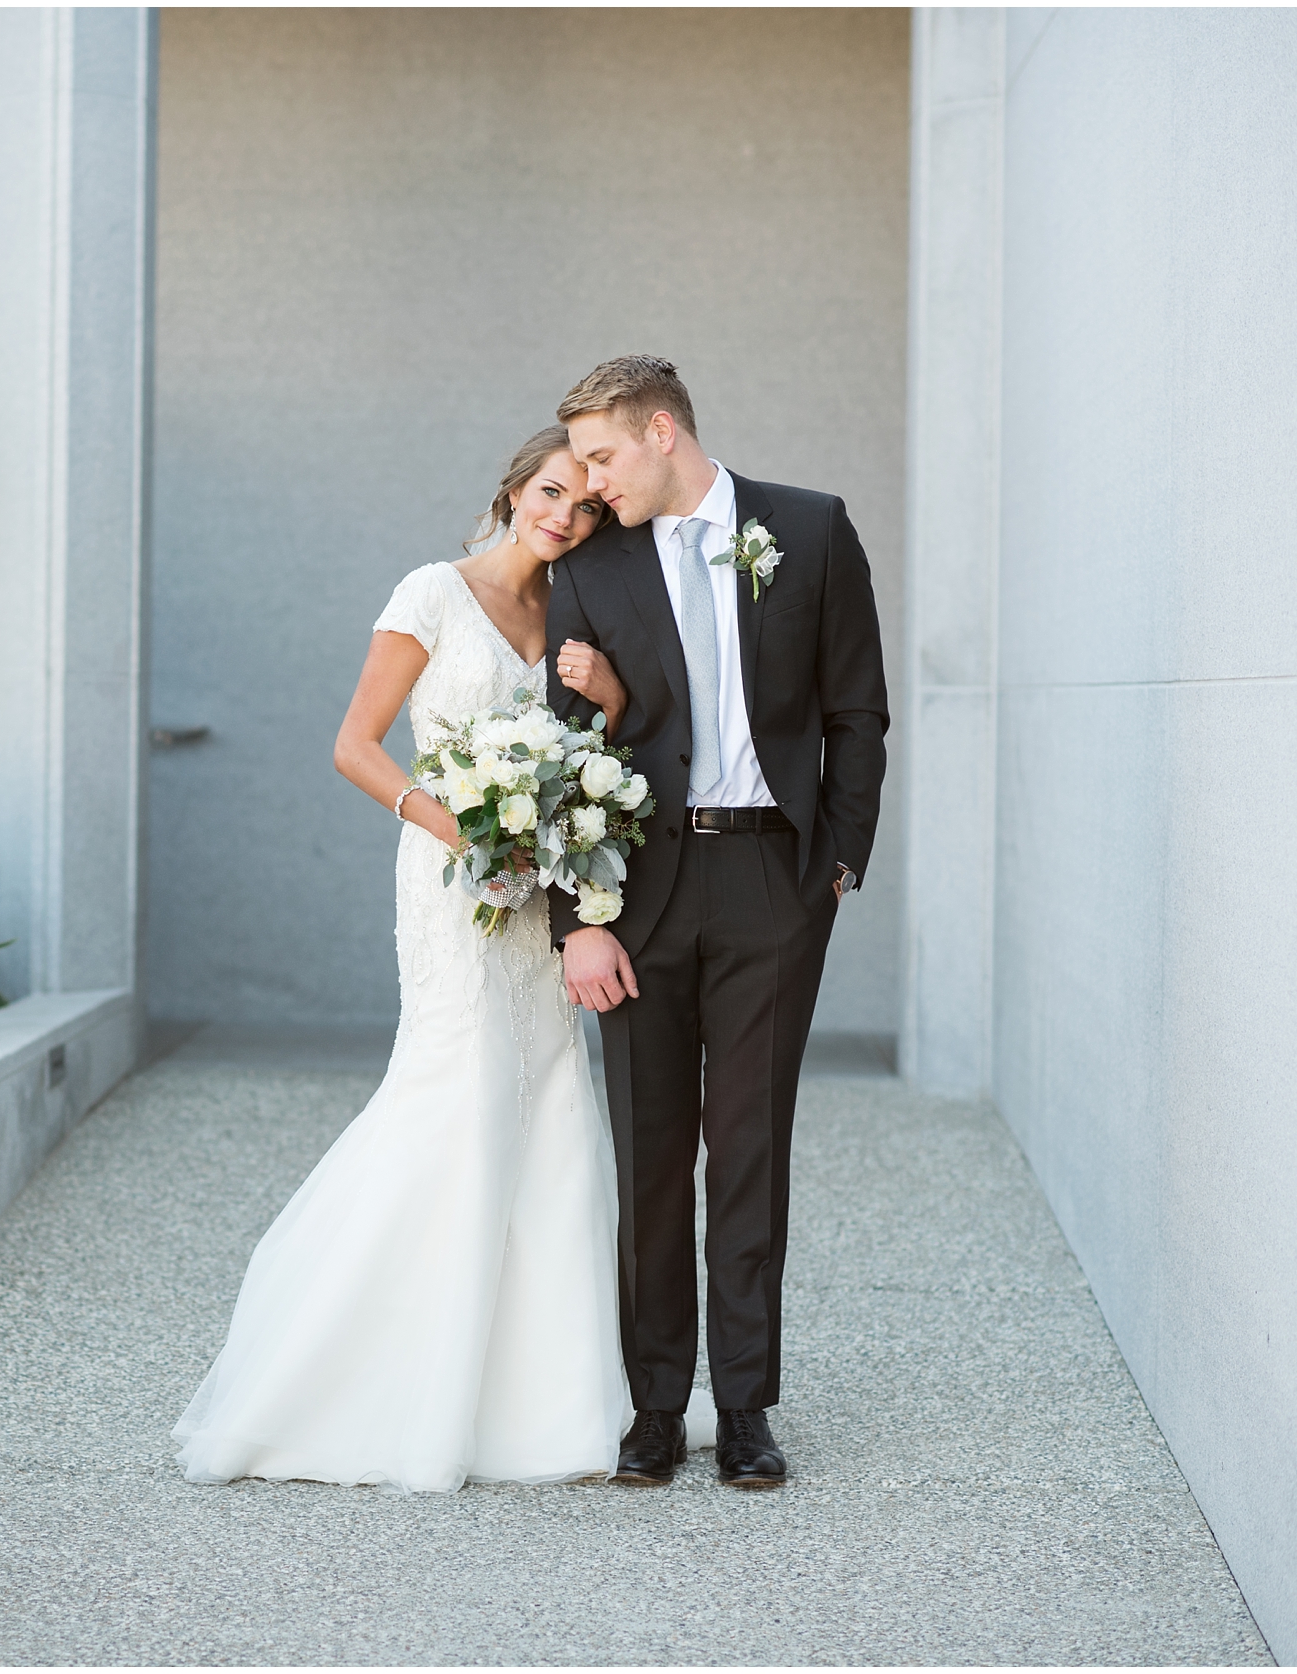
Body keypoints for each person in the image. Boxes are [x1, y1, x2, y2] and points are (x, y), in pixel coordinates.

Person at [173, 428, 642, 1492]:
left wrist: (607, 701)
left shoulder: (574, 615)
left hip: (537, 896)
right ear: (515, 487)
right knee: (459, 1094)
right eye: (550, 492)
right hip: (452, 881)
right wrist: (462, 834)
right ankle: (362, 1379)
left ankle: (542, 1401)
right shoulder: (432, 591)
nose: (563, 515)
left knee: (555, 1102)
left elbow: (589, 758)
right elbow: (354, 743)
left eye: (585, 507)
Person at [546, 354, 890, 1490]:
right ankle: (655, 1410)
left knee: (748, 1152)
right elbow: (561, 755)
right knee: (650, 1156)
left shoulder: (811, 528)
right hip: (638, 888)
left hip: (770, 887)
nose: (588, 485)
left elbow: (855, 709)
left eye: (601, 458)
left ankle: (743, 1406)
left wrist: (835, 864)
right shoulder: (590, 568)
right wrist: (574, 920)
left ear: (661, 431)